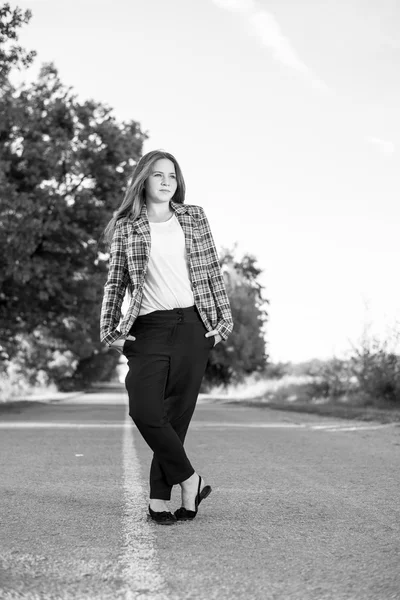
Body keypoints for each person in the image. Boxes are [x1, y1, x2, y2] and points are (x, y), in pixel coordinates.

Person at [100, 149, 233, 525]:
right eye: (158, 175)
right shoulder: (127, 226)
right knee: (144, 409)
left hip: (194, 326)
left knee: (176, 417)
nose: (165, 182)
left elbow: (212, 272)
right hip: (149, 329)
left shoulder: (193, 217)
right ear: (143, 179)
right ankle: (191, 480)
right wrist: (109, 330)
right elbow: (116, 281)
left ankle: (160, 499)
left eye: (171, 176)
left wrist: (224, 325)